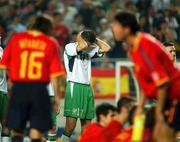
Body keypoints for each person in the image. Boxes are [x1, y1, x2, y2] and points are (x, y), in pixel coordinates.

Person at [111, 11, 180, 142]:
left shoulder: (144, 46)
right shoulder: (134, 49)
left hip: (175, 96)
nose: (113, 28)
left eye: (115, 25)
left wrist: (158, 113)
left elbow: (163, 83)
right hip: (169, 98)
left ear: (126, 29)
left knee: (164, 134)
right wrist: (140, 107)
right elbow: (145, 81)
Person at [0, 15, 65, 142]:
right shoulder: (50, 43)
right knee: (36, 129)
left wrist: (15, 77)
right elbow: (55, 75)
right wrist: (57, 98)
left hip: (20, 87)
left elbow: (4, 65)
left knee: (17, 129)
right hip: (39, 89)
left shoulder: (17, 39)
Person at [62, 30, 111, 142]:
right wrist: (82, 35)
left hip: (87, 88)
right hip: (75, 86)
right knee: (71, 126)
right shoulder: (69, 47)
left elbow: (106, 48)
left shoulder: (89, 50)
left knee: (87, 127)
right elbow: (82, 45)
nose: (87, 43)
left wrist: (95, 39)